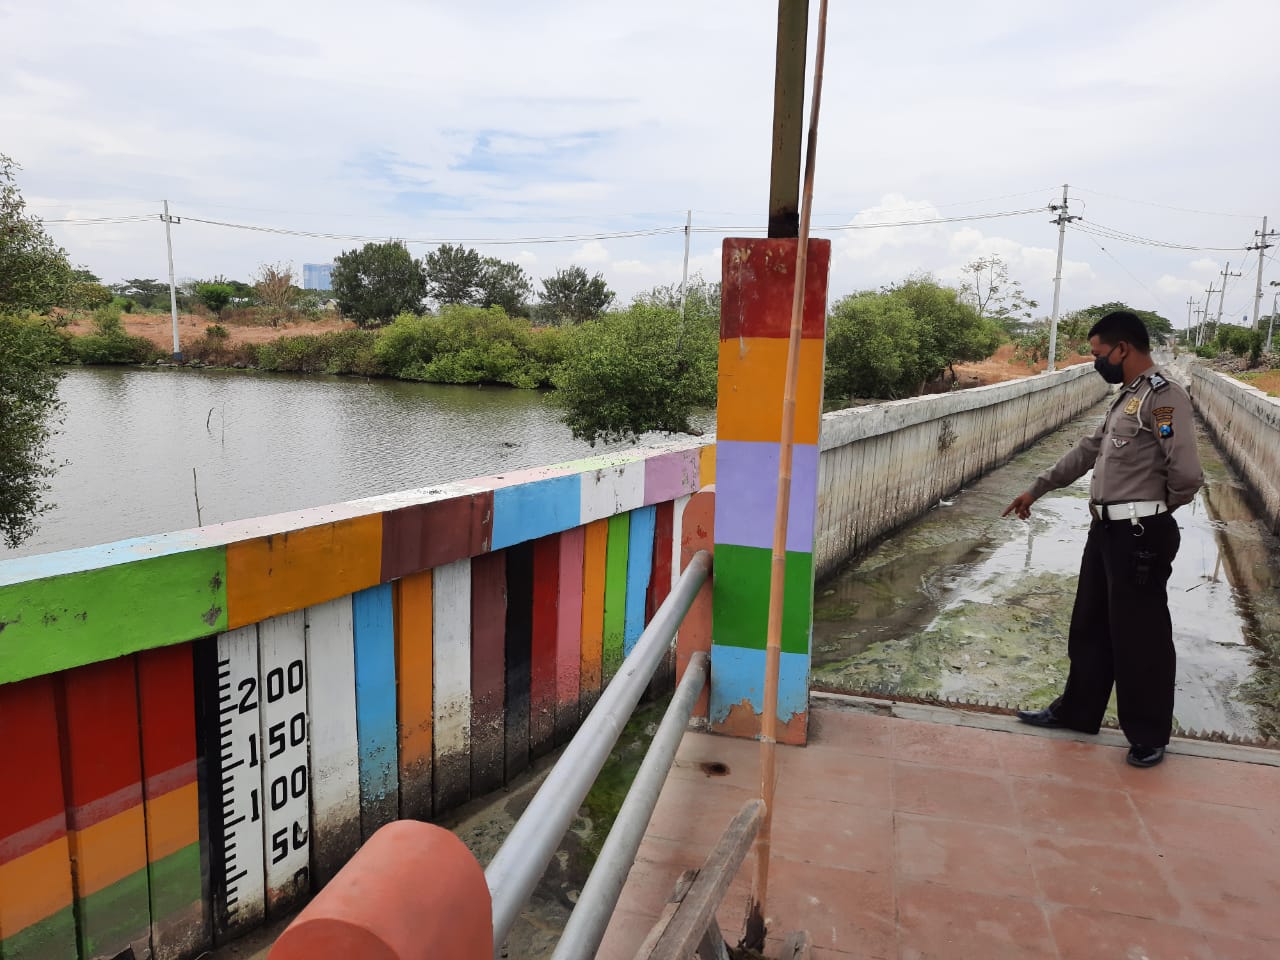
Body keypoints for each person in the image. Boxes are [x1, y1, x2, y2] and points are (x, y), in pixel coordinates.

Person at [1002, 310, 1203, 768]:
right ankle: (1078, 711)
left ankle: (1149, 734)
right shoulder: (1125, 398)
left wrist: (1155, 510)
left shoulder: (1164, 398)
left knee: (1141, 637)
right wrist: (1037, 487)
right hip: (1107, 530)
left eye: (1098, 354)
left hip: (1139, 533)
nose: (1096, 362)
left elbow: (1187, 474)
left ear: (1122, 349)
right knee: (1090, 625)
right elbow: (1089, 450)